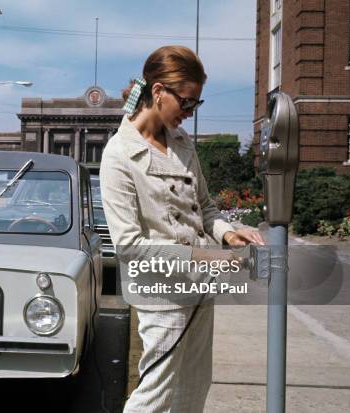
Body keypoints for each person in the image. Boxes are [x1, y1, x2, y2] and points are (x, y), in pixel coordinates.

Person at [100, 45, 265, 412]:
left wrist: (226, 233)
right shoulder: (119, 157)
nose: (189, 114)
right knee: (153, 398)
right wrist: (208, 257)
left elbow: (204, 207)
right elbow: (129, 247)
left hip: (199, 293)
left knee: (193, 393)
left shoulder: (181, 144)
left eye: (196, 106)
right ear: (158, 92)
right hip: (162, 299)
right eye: (186, 103)